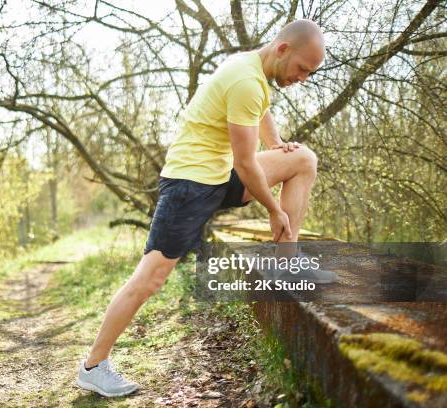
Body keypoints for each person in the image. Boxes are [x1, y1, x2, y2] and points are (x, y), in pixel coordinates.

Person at [77, 19, 334, 398]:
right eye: (302, 69)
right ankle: (93, 366)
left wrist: (279, 144)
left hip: (217, 174)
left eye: (310, 73)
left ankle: (286, 263)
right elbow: (247, 165)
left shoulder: (255, 70)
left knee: (302, 159)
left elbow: (258, 112)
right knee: (149, 279)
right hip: (188, 187)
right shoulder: (246, 80)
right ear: (282, 49)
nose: (303, 78)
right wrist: (274, 211)